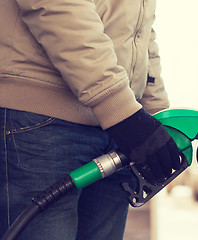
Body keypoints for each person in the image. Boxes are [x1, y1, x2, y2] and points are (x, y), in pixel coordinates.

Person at [0, 0, 181, 239]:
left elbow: (140, 27)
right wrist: (121, 109)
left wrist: (154, 112)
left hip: (117, 124)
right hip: (46, 121)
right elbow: (58, 6)